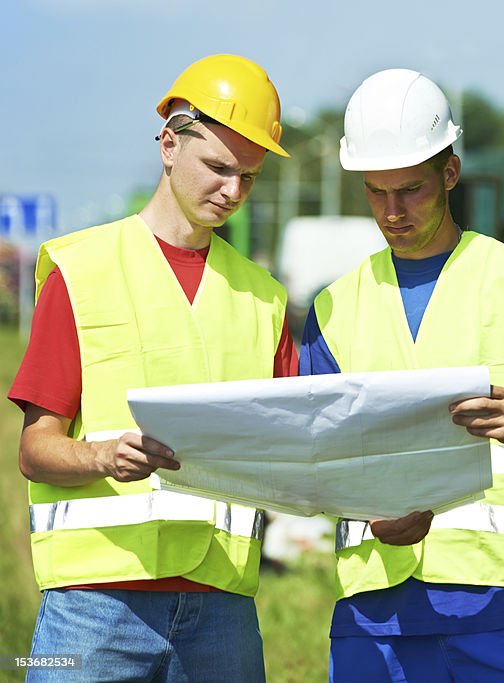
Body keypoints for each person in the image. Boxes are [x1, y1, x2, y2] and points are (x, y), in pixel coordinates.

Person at [300, 68, 504, 682]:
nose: (392, 211)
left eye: (409, 190)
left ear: (450, 174)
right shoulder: (333, 306)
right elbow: (316, 453)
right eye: (376, 192)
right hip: (376, 607)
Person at [8, 54, 294, 681]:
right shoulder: (81, 273)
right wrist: (104, 455)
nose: (233, 192)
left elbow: (291, 448)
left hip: (223, 605)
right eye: (218, 168)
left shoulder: (264, 298)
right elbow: (36, 450)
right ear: (169, 143)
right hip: (92, 605)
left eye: (248, 177)